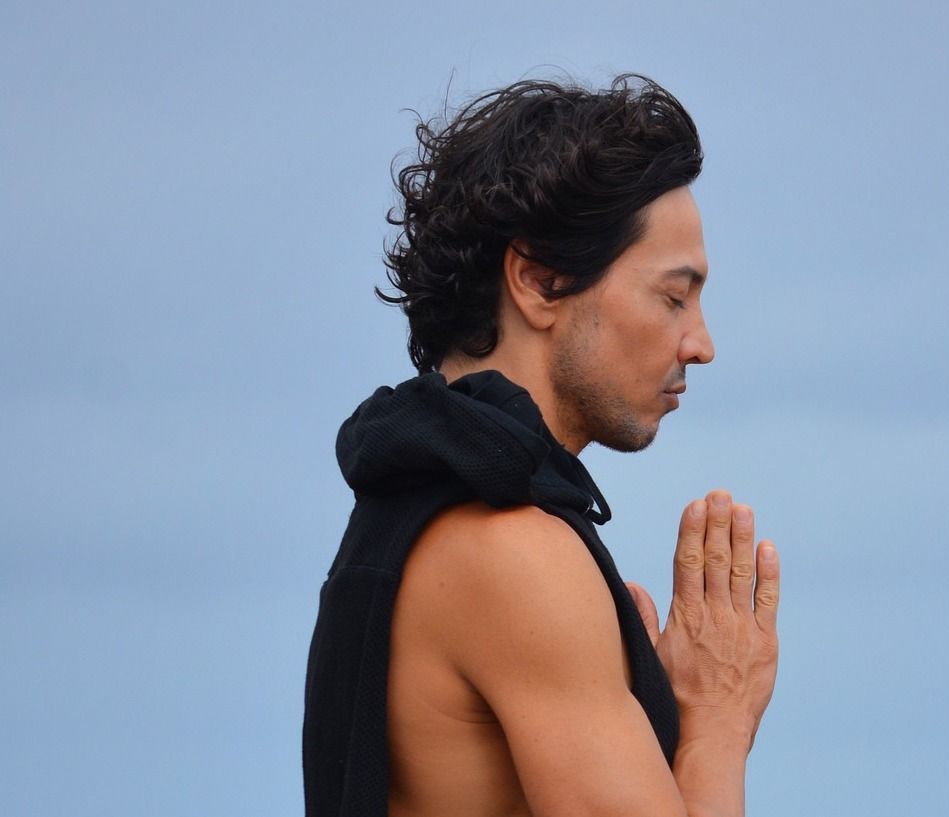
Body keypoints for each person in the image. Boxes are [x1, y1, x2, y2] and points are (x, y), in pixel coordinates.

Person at [303, 74, 781, 817]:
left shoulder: (402, 507)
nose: (701, 342)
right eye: (671, 294)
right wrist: (716, 718)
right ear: (538, 281)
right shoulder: (513, 551)